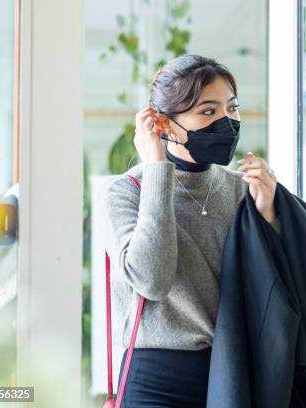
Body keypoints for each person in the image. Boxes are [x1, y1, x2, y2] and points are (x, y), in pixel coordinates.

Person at [103, 53, 281, 407]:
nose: (227, 122)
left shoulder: (244, 190)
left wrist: (269, 218)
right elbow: (152, 279)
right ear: (164, 124)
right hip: (155, 380)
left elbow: (272, 291)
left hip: (233, 372)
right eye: (209, 111)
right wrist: (156, 170)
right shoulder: (127, 191)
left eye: (232, 109)